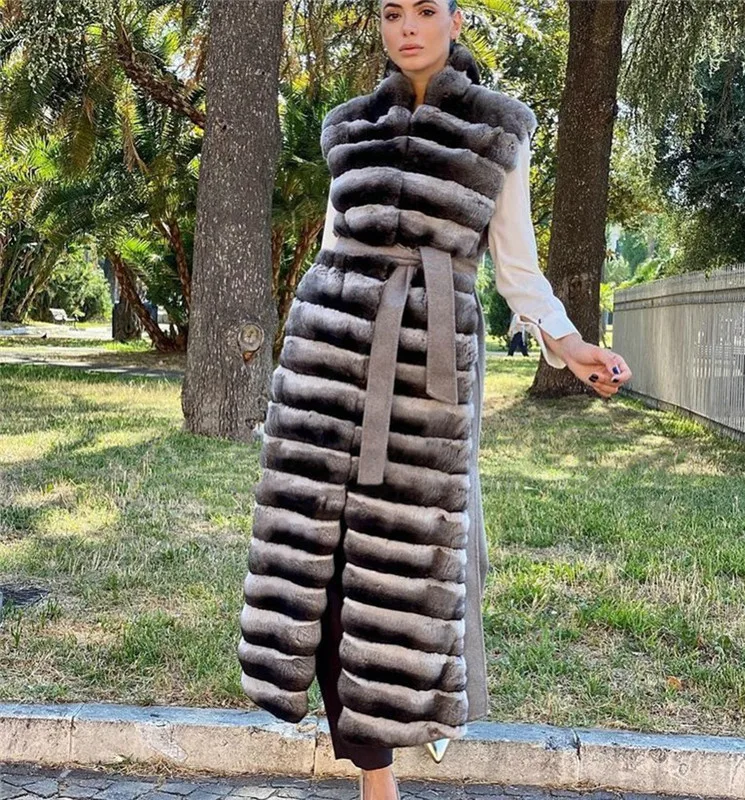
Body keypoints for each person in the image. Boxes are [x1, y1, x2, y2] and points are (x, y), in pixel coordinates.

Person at [237, 3, 633, 799]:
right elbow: (331, 249)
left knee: (405, 565)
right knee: (323, 563)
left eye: (425, 10)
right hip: (327, 361)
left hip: (426, 372)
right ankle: (374, 779)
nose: (408, 27)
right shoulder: (348, 127)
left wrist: (569, 345)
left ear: (454, 20)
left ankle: (410, 728)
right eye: (392, 12)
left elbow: (516, 267)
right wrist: (296, 367)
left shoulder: (498, 130)